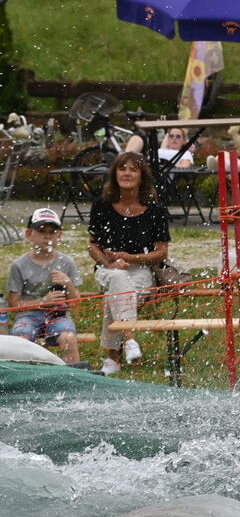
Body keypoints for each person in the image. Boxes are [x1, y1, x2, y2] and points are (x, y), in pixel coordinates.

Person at [88, 152, 171, 376]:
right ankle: (130, 339)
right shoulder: (102, 205)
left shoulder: (155, 210)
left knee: (113, 296)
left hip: (141, 269)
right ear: (115, 174)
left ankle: (112, 358)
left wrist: (130, 258)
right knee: (116, 278)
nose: (127, 173)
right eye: (122, 168)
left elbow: (162, 252)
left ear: (142, 177)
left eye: (133, 169)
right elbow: (92, 245)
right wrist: (109, 262)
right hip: (107, 268)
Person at [6, 208, 84, 364]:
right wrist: (42, 302)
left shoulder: (67, 263)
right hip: (27, 316)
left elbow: (76, 303)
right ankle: (21, 377)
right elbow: (13, 304)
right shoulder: (19, 265)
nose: (47, 236)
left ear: (59, 236)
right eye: (41, 231)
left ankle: (74, 376)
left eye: (52, 232)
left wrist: (67, 283)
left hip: (59, 316)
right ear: (29, 234)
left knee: (68, 338)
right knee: (21, 339)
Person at [124, 127, 195, 167]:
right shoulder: (161, 150)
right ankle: (123, 162)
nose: (174, 138)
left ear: (183, 141)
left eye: (178, 136)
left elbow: (184, 167)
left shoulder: (185, 154)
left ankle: (124, 165)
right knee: (138, 137)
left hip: (159, 173)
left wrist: (165, 165)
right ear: (168, 138)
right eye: (171, 136)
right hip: (146, 162)